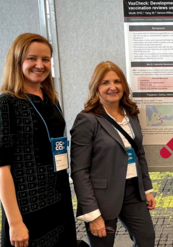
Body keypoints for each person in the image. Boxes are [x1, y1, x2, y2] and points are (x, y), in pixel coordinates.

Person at [0, 33, 77, 247]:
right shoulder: (4, 104)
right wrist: (15, 222)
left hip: (58, 197)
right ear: (18, 61)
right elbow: (1, 169)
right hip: (27, 205)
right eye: (32, 58)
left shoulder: (51, 100)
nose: (40, 65)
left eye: (45, 59)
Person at [70, 61, 156, 247]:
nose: (112, 87)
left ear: (123, 85)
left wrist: (147, 188)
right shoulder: (87, 120)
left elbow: (139, 153)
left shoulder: (131, 114)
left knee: (146, 240)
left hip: (133, 191)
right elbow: (79, 171)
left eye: (117, 81)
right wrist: (92, 214)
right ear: (96, 87)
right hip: (102, 198)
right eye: (105, 82)